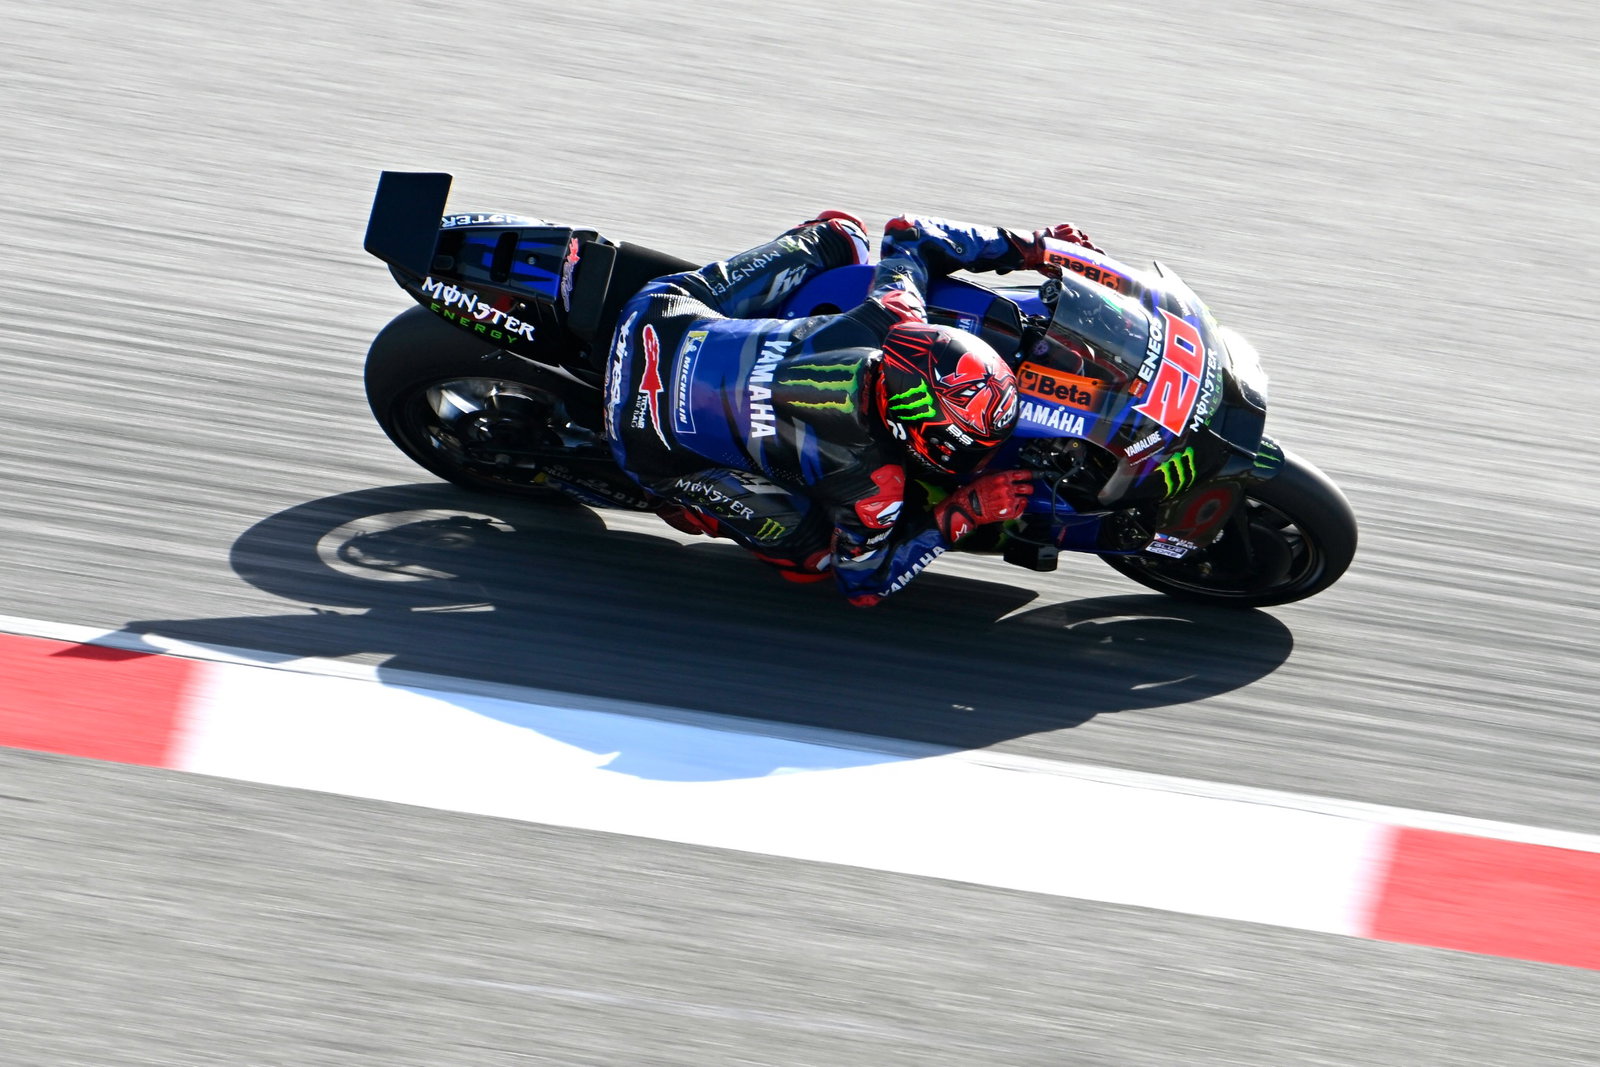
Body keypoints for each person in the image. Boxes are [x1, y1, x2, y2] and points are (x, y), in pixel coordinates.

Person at [603, 211, 1101, 605]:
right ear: (914, 432)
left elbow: (909, 233)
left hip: (657, 316)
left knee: (843, 233)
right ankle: (683, 504)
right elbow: (862, 583)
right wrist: (961, 513)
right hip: (645, 437)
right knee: (814, 560)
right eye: (972, 444)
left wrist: (1033, 247)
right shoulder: (874, 486)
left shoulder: (893, 314)